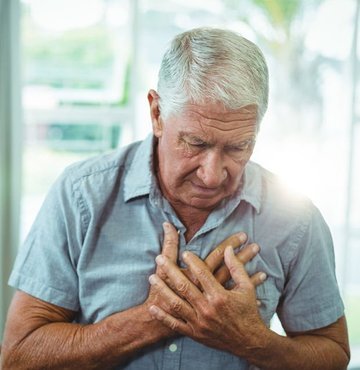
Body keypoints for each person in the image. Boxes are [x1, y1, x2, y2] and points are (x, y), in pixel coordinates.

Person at [1, 27, 349, 370]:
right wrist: (152, 318)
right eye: (195, 143)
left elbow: (333, 354)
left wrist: (250, 340)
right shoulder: (82, 195)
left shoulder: (296, 219)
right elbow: (18, 357)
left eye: (237, 147)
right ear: (157, 114)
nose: (212, 174)